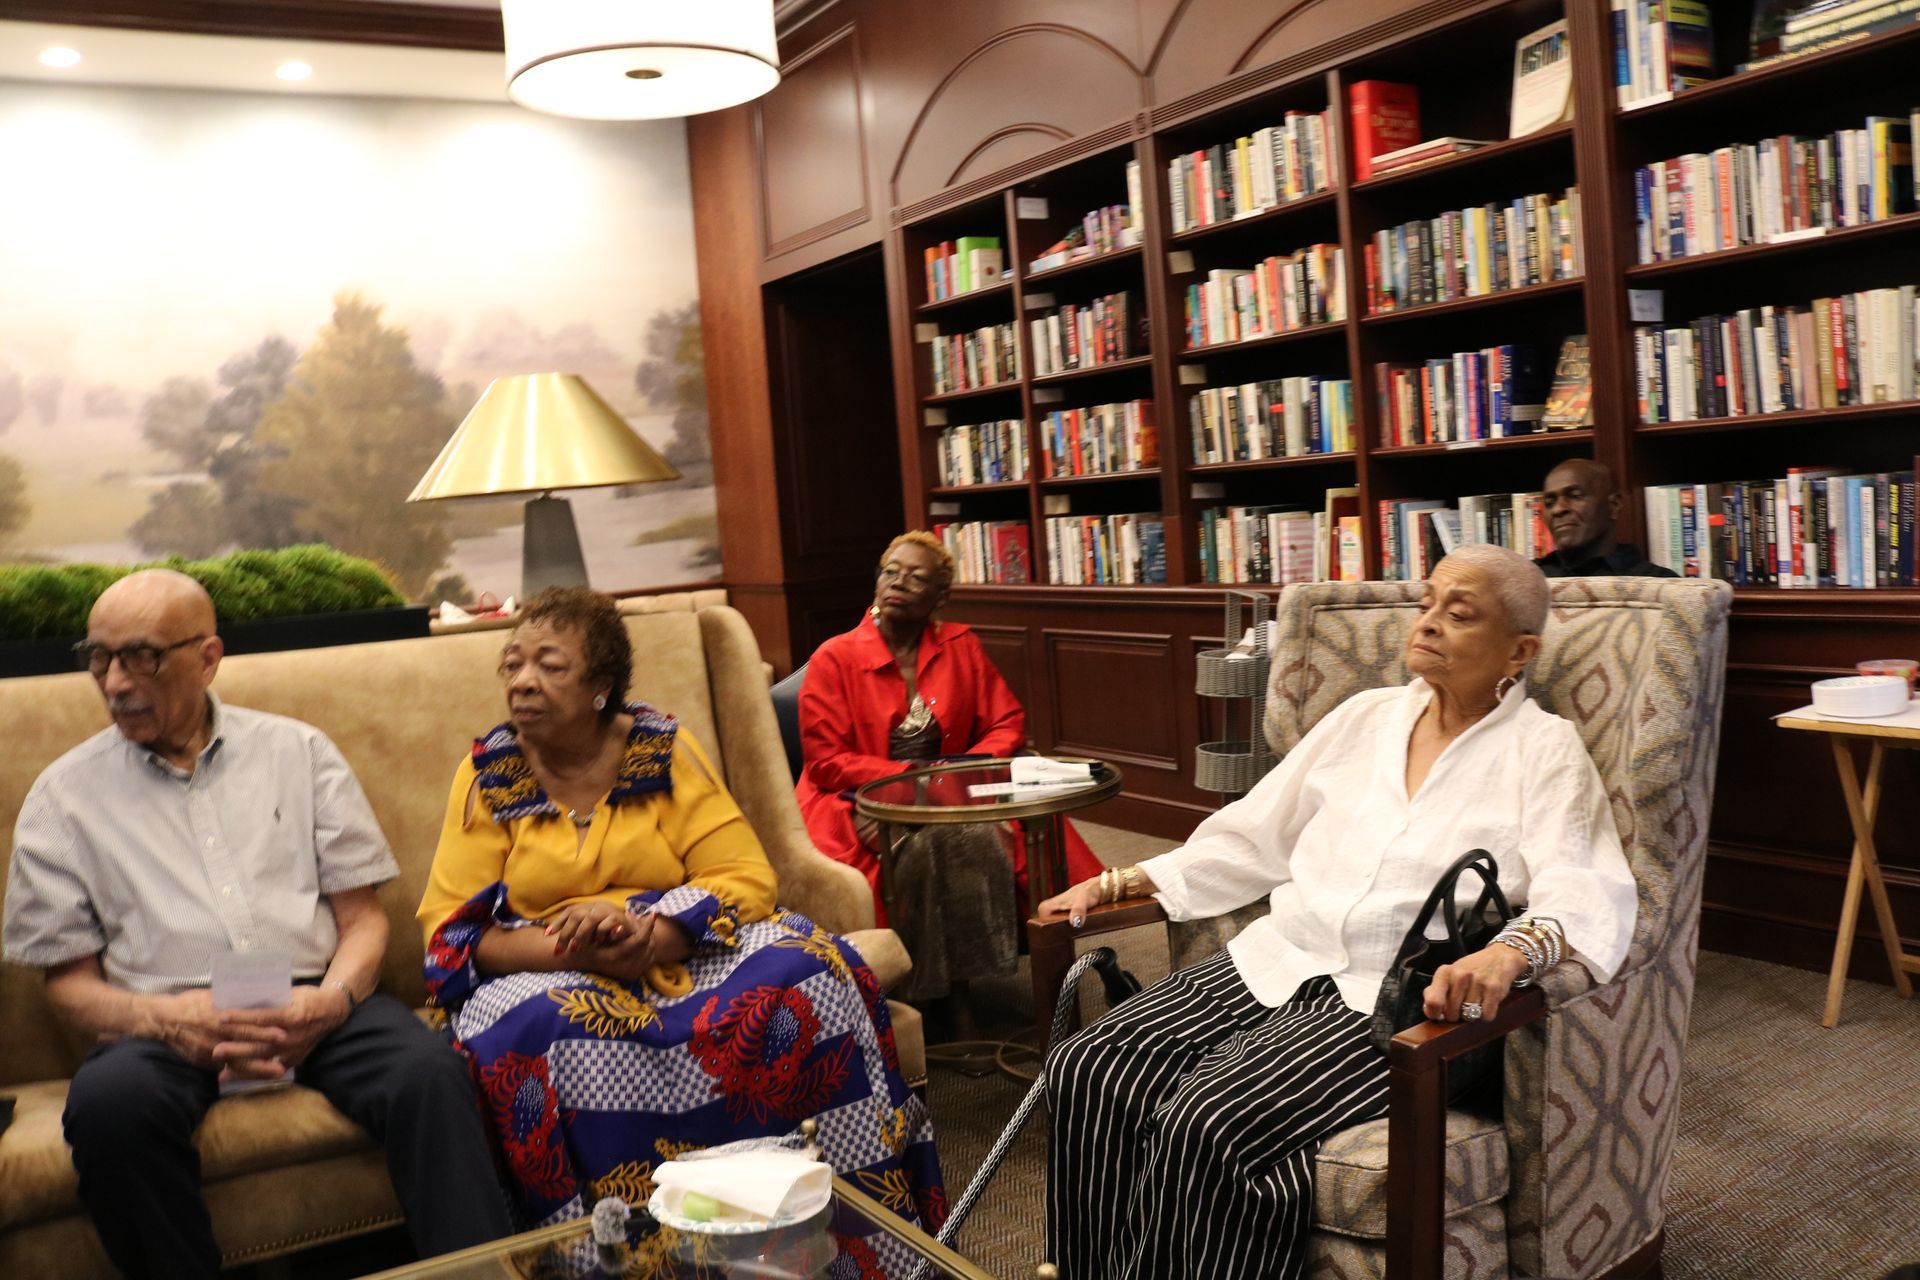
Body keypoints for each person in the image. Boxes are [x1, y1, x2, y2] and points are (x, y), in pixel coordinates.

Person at [1037, 545, 1638, 1280]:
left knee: (1205, 1119)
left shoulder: (1543, 749)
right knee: (1088, 1064)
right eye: (1428, 603)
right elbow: (1256, 833)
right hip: (1279, 956)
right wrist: (1124, 879)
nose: (1429, 622)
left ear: (1520, 650)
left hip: (1391, 1000)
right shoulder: (1364, 717)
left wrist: (1508, 953)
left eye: (1459, 613)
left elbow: (1585, 885)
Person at [2, 570, 511, 1280]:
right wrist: (168, 1019)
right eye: (99, 657)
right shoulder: (63, 797)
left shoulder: (298, 752)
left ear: (207, 657)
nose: (115, 682)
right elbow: (68, 986)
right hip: (163, 1020)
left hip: (314, 997)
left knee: (428, 1073)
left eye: (142, 657)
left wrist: (332, 1000)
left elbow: (362, 921)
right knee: (110, 1110)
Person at [416, 587, 943, 1256]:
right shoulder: (488, 776)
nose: (522, 681)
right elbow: (452, 932)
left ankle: (847, 1239)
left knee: (813, 970)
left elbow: (745, 876)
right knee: (535, 1031)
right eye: (512, 663)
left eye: (548, 666)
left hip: (677, 941)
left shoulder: (661, 752)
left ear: (601, 687)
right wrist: (578, 953)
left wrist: (656, 934)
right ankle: (616, 1257)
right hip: (544, 962)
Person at [794, 531, 1103, 1005]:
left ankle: (990, 979)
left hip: (954, 788)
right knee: (944, 844)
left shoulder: (961, 645)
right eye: (890, 572)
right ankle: (942, 995)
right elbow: (826, 761)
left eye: (916, 578)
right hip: (859, 798)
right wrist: (911, 778)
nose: (898, 582)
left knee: (1022, 833)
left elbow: (1006, 722)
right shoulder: (834, 657)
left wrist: (962, 771)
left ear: (940, 597)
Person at [1536, 457, 1678, 577]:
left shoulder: (1659, 583)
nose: (1558, 509)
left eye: (1575, 496)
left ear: (1614, 505)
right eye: (1549, 503)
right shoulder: (1529, 578)